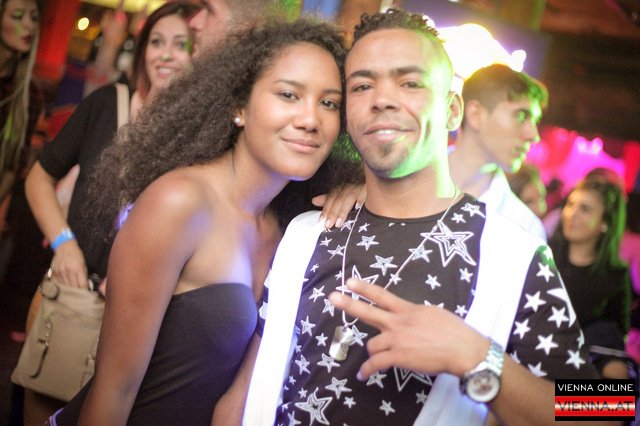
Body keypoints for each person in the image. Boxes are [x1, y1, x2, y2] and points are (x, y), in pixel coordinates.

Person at [244, 9, 597, 426]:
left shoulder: (514, 253)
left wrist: (477, 357)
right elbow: (247, 394)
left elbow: (608, 406)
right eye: (362, 85)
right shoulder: (309, 233)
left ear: (453, 111)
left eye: (410, 82)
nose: (382, 99)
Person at [48, 18, 354, 426]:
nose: (310, 119)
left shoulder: (290, 227)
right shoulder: (180, 203)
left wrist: (358, 189)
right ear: (239, 107)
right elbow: (113, 391)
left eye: (329, 103)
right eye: (288, 94)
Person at [22, 2, 199, 423]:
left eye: (181, 44)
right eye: (156, 42)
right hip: (75, 301)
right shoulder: (106, 105)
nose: (165, 55)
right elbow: (39, 178)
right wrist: (64, 244)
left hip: (142, 325)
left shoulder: (204, 139)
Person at [448, 63, 548, 241]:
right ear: (476, 114)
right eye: (521, 116)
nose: (533, 135)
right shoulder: (404, 178)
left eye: (535, 121)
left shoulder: (524, 229)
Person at [549, 176, 631, 379]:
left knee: (617, 388)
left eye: (585, 209)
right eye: (570, 204)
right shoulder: (544, 255)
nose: (571, 214)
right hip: (536, 356)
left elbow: (615, 336)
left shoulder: (616, 275)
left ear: (605, 223)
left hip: (580, 369)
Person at [0, 0, 42, 202]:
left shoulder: (30, 94)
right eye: (17, 16)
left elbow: (13, 167)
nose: (28, 25)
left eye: (34, 18)